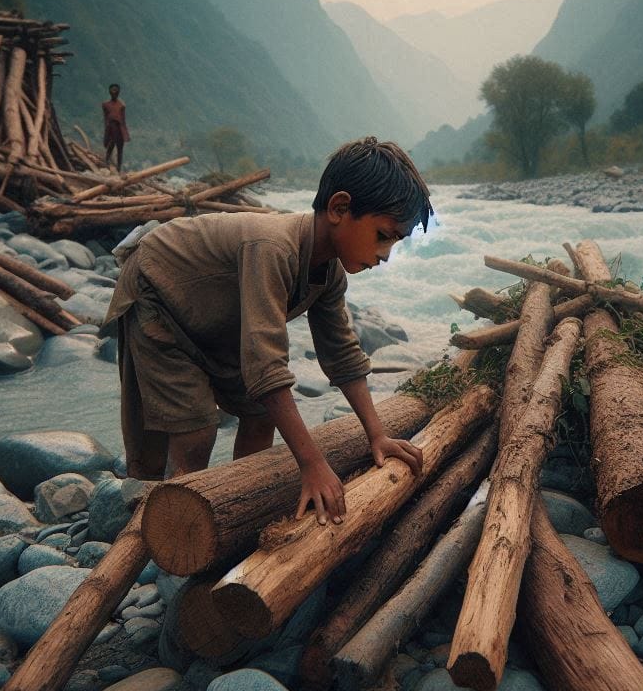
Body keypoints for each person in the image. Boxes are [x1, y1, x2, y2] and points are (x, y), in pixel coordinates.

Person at [103, 137, 430, 525]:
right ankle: (179, 522)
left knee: (261, 414)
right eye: (383, 235)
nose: (386, 254)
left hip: (217, 315)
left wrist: (377, 436)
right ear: (340, 208)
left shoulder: (329, 275)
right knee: (196, 429)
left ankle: (244, 507)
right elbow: (266, 365)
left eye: (395, 241)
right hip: (158, 293)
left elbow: (341, 354)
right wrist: (312, 464)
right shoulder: (272, 248)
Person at [102, 83, 130, 171]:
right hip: (111, 128)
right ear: (109, 92)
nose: (114, 92)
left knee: (120, 149)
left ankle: (119, 168)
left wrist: (125, 134)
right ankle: (106, 162)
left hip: (119, 129)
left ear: (118, 92)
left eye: (116, 90)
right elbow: (106, 118)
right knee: (110, 146)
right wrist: (107, 131)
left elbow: (123, 121)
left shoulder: (121, 106)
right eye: (113, 90)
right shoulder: (106, 105)